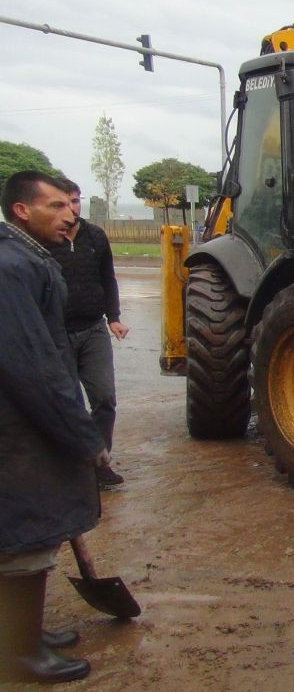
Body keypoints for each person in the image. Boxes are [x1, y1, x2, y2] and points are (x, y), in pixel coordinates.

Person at [1, 171, 108, 683]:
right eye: (57, 206)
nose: (70, 213)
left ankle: (24, 632)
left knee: (28, 533)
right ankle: (19, 652)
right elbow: (35, 366)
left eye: (71, 205)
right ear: (23, 210)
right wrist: (81, 435)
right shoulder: (10, 268)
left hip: (28, 422)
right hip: (18, 430)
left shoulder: (28, 257)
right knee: (25, 537)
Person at [49, 179, 127, 490]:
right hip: (57, 333)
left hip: (93, 329)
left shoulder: (95, 236)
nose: (72, 208)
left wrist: (114, 317)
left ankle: (100, 462)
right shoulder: (44, 241)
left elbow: (108, 278)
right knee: (67, 402)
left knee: (104, 398)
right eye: (63, 202)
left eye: (76, 201)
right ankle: (71, 467)